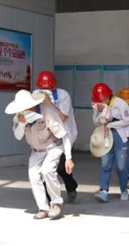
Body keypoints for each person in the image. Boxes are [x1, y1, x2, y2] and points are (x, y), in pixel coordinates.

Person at [6, 89, 74, 220]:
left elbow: (64, 134)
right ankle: (43, 208)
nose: (24, 110)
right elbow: (18, 136)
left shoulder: (47, 112)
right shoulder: (20, 116)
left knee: (47, 170)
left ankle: (56, 203)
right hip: (37, 150)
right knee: (33, 176)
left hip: (53, 147)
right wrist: (22, 123)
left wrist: (68, 158)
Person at [35, 71, 79, 203]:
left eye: (48, 88)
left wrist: (48, 102)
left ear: (54, 86)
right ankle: (48, 198)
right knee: (44, 168)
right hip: (47, 137)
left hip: (65, 135)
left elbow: (62, 117)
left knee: (61, 167)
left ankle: (71, 186)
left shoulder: (63, 95)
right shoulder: (36, 95)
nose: (45, 91)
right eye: (42, 88)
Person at [92, 83, 129, 203]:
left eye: (102, 100)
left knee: (121, 166)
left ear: (108, 96)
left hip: (122, 136)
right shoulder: (97, 105)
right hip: (106, 136)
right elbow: (96, 123)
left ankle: (124, 189)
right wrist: (97, 113)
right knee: (105, 163)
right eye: (98, 100)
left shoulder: (120, 104)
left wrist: (110, 124)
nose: (100, 102)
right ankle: (103, 191)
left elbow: (128, 120)